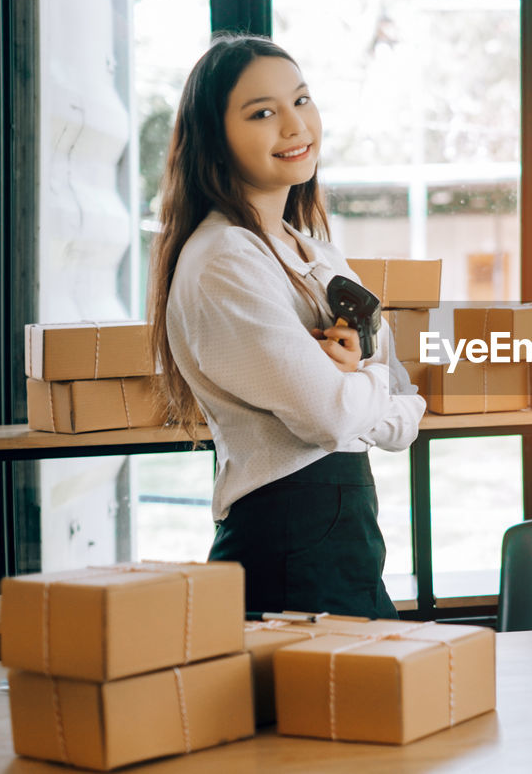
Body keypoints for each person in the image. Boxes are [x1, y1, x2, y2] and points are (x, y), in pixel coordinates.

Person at [146, 34, 425, 619]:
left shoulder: (316, 253)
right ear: (213, 137)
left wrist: (357, 385)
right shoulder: (225, 259)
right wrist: (361, 383)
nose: (295, 126)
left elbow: (404, 414)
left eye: (301, 101)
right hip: (286, 546)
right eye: (263, 113)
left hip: (347, 541)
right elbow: (332, 416)